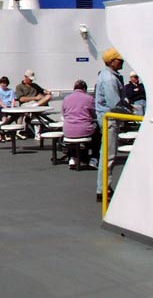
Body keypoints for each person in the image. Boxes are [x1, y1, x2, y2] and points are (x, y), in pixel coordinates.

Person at [95, 48, 125, 202]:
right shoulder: (110, 79)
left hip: (107, 118)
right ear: (112, 61)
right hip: (110, 120)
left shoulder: (106, 75)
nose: (123, 62)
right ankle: (103, 189)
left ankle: (103, 187)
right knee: (109, 155)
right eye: (120, 60)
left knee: (106, 154)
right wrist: (133, 114)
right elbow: (115, 104)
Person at [62, 80, 100, 169]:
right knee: (97, 135)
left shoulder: (66, 98)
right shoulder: (89, 98)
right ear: (84, 89)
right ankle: (94, 159)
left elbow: (64, 114)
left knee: (73, 134)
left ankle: (73, 158)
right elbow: (95, 114)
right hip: (84, 129)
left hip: (68, 130)